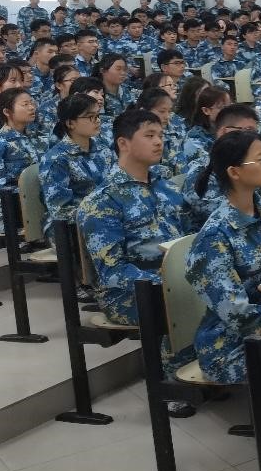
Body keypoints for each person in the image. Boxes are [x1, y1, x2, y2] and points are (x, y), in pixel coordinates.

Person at [186, 131, 261, 383]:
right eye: (260, 159)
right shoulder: (214, 237)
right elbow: (236, 311)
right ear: (234, 172)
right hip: (229, 346)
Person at [77, 109, 183, 327]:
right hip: (129, 295)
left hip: (174, 278)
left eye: (160, 135)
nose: (158, 142)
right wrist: (171, 284)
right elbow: (112, 271)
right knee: (212, 307)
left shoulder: (167, 187)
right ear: (123, 143)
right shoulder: (103, 201)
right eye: (149, 135)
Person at [39, 93, 109, 236]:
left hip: (104, 216)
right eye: (91, 117)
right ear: (70, 123)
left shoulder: (103, 148)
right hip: (69, 228)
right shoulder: (57, 159)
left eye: (98, 115)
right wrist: (104, 212)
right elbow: (60, 211)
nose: (97, 121)